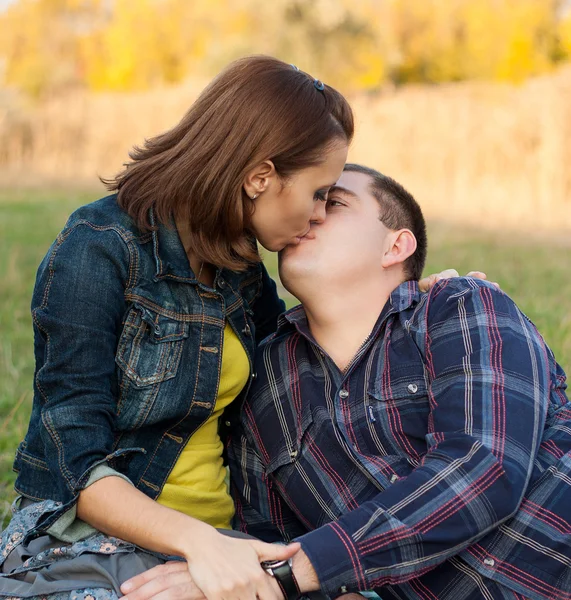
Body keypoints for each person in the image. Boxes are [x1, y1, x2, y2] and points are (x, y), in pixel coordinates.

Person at [0, 55, 355, 600]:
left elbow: (299, 364)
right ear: (260, 177)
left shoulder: (240, 267)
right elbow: (77, 465)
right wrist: (201, 544)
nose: (321, 214)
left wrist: (406, 297)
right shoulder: (99, 247)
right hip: (90, 539)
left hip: (226, 538)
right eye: (318, 193)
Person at [222, 164, 571, 600]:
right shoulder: (265, 389)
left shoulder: (457, 307)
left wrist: (299, 570)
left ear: (396, 246)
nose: (308, 214)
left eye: (332, 202)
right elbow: (271, 540)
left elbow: (484, 467)